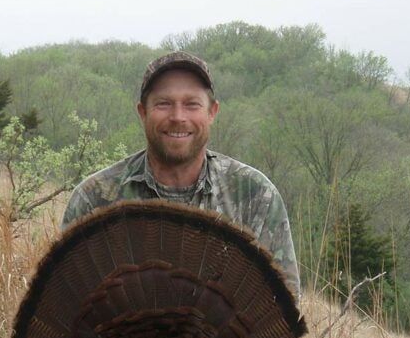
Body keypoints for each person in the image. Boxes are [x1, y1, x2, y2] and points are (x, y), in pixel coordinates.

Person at [61, 51, 301, 302]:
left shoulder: (255, 196)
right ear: (143, 112)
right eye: (163, 103)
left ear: (212, 112)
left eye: (192, 104)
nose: (178, 117)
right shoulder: (94, 200)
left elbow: (281, 304)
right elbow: (68, 307)